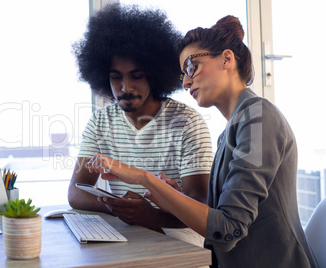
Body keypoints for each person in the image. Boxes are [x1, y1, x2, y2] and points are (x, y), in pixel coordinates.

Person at [86, 15, 318, 268]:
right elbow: (218, 213)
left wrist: (144, 178)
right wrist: (173, 195)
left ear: (226, 59)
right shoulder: (235, 127)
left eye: (191, 67)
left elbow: (228, 229)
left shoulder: (259, 118)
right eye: (183, 74)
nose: (185, 82)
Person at [68, 3, 213, 246]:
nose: (125, 88)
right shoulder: (100, 121)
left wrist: (151, 215)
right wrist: (118, 208)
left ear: (154, 74)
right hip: (126, 230)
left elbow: (202, 208)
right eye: (116, 77)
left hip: (180, 236)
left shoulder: (187, 122)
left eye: (136, 76)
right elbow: (76, 192)